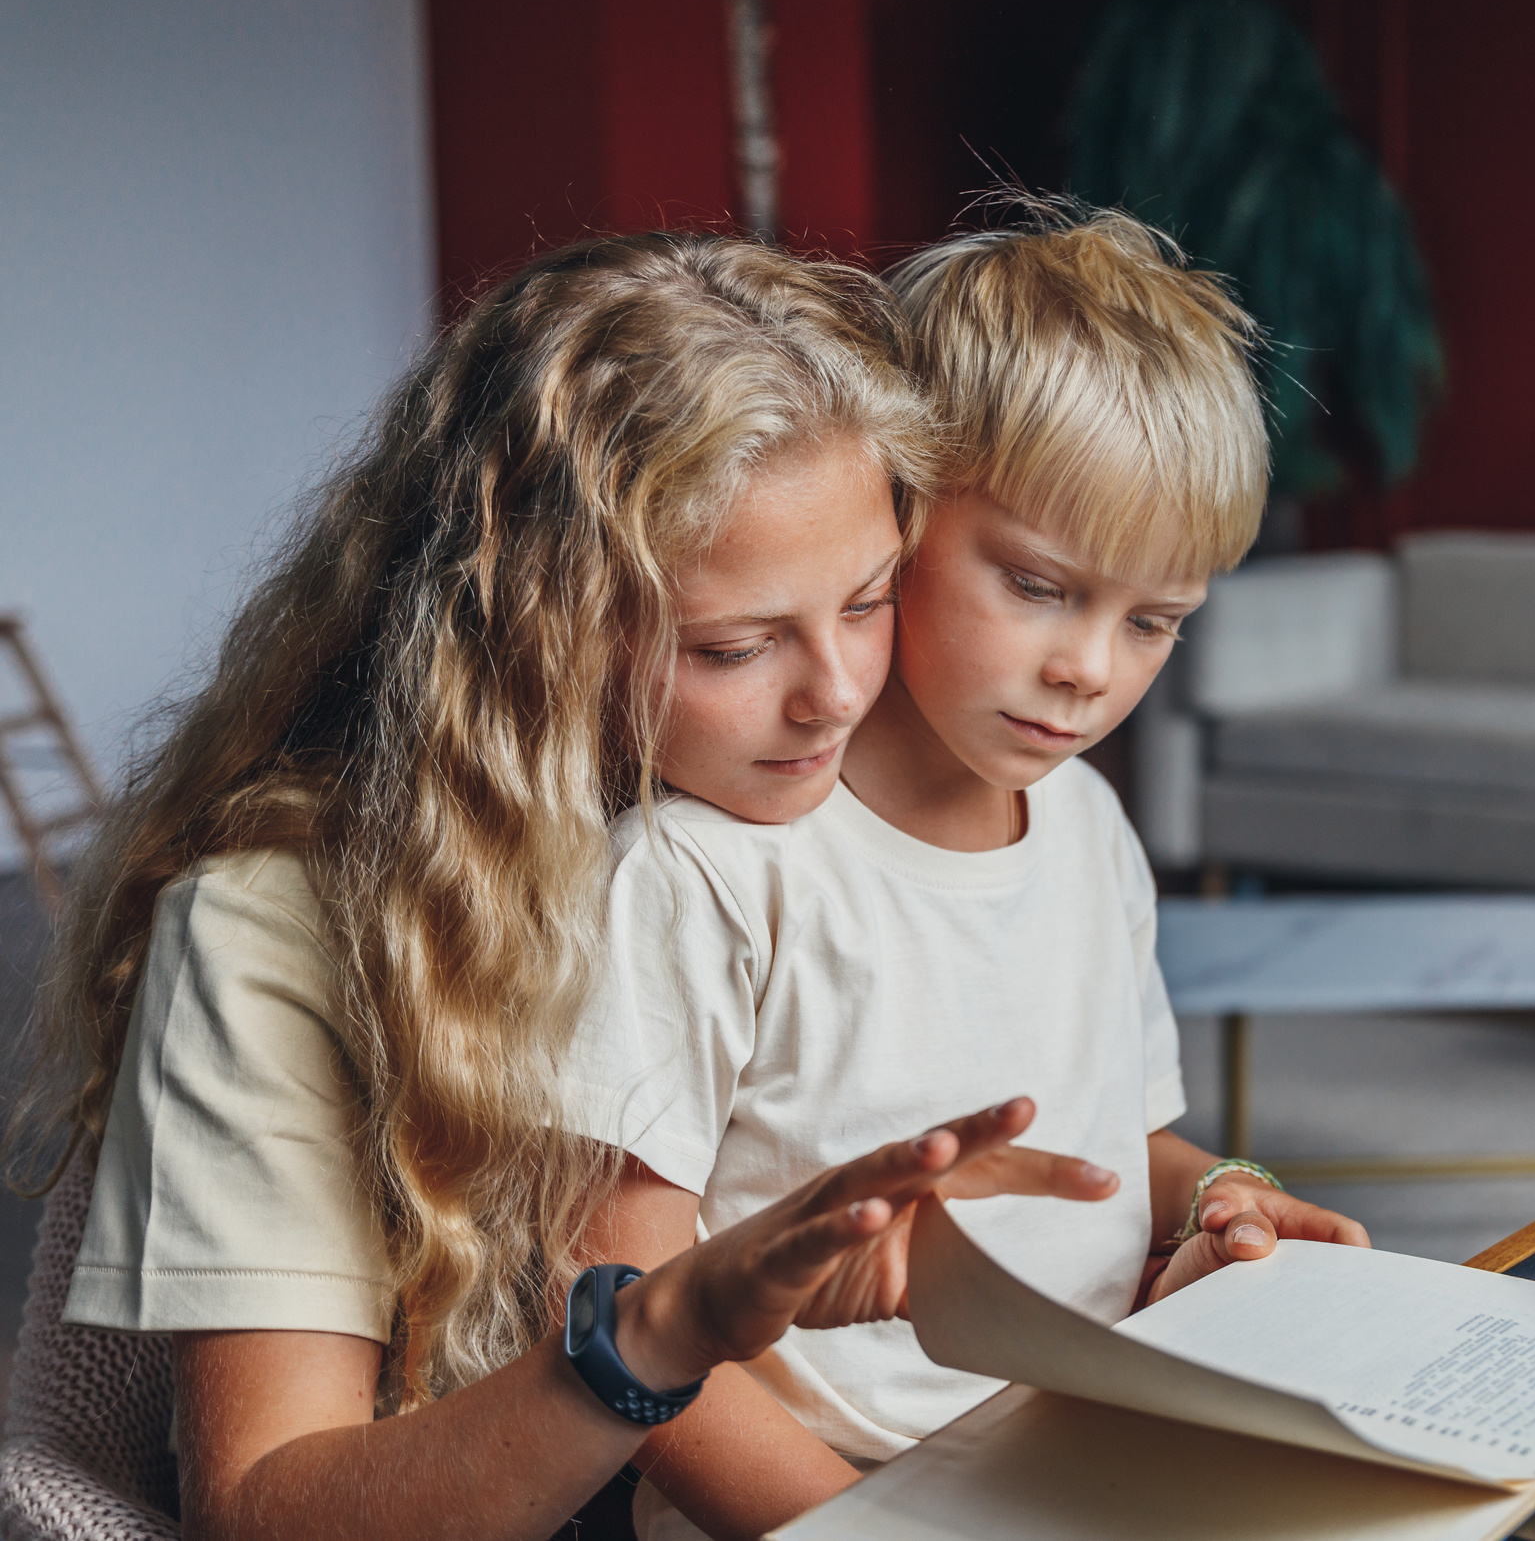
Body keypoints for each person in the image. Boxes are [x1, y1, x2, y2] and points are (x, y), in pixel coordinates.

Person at [22, 232, 1118, 1541]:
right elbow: (268, 1510)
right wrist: (653, 1337)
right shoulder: (272, 930)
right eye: (735, 644)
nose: (836, 693)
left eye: (872, 600)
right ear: (537, 632)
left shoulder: (833, 814)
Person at [566, 203, 1371, 1541]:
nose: (1091, 669)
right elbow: (617, 1292)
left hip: (1100, 1463)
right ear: (895, 514)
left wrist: (1223, 1196)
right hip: (832, 1506)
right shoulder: (705, 874)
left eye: (1154, 620)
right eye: (1040, 586)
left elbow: (1113, 1145)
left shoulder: (1089, 828)